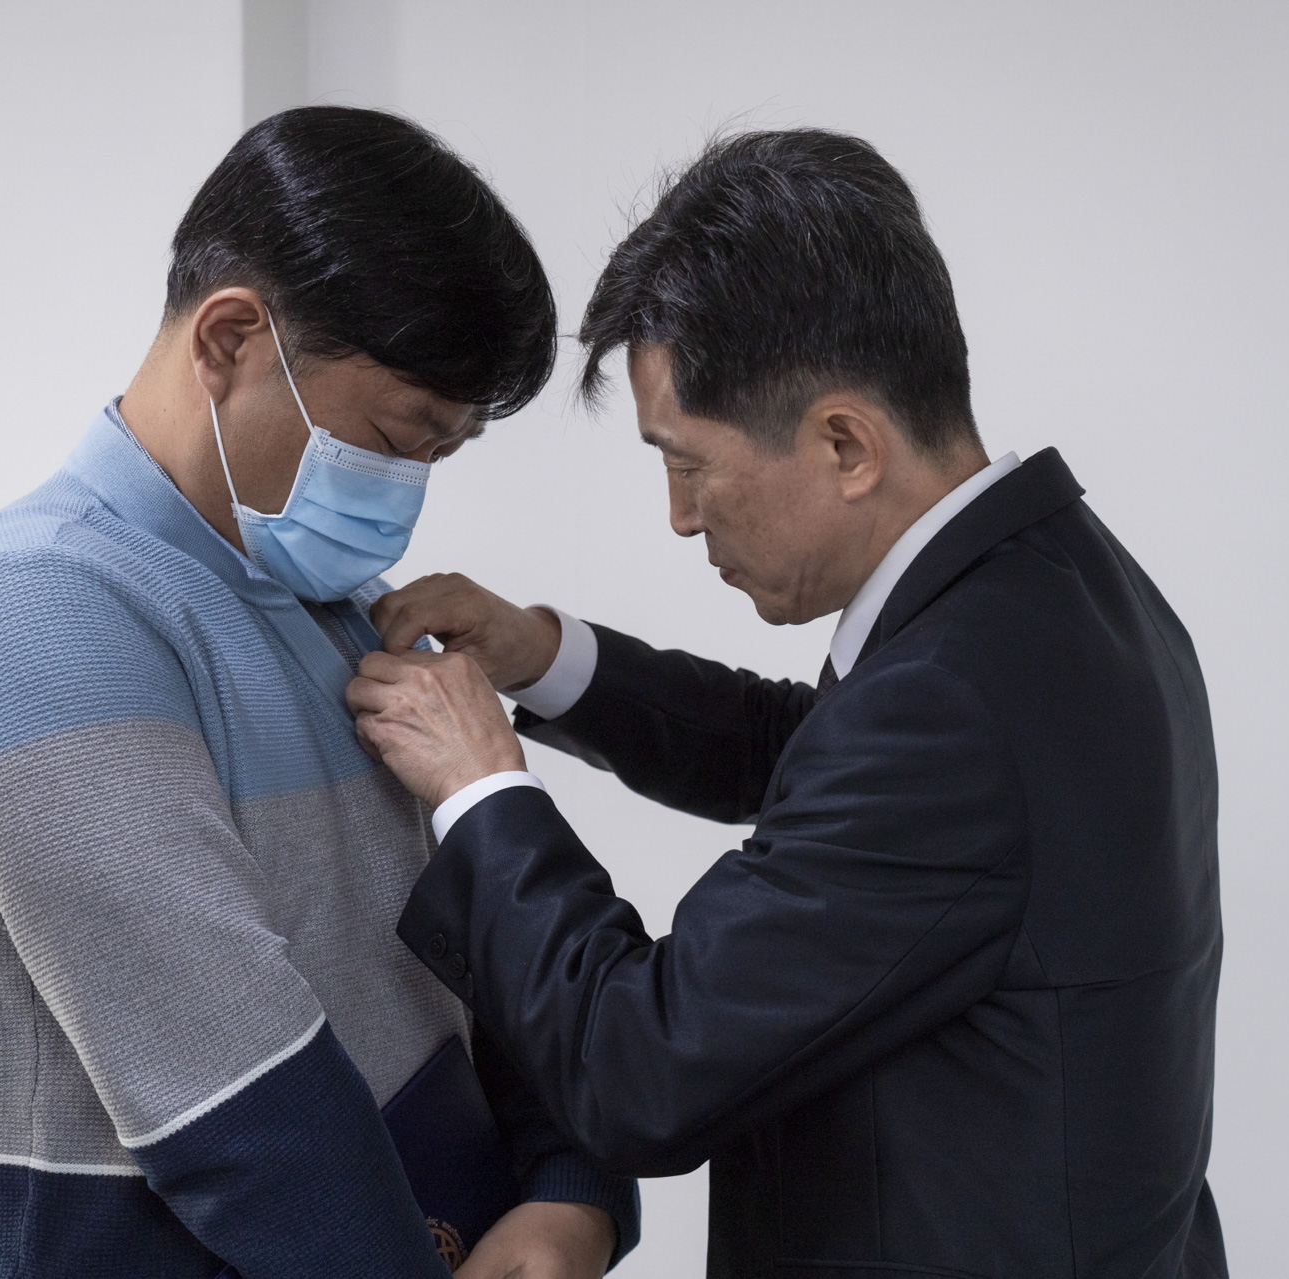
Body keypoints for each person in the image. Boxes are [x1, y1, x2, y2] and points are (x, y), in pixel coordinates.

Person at [346, 130, 1228, 1279]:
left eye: (687, 463)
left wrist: (482, 790)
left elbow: (640, 1063)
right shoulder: (1058, 589)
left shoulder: (949, 707)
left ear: (845, 443)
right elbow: (817, 758)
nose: (680, 515)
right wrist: (545, 658)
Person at [0, 107, 635, 1278]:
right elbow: (247, 1119)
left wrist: (569, 1191)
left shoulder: (337, 604)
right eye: (398, 438)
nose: (408, 489)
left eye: (440, 455)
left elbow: (477, 959)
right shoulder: (31, 618)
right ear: (230, 338)